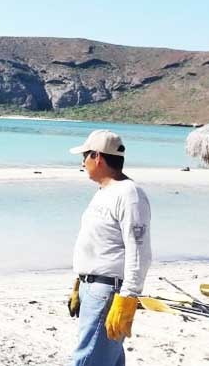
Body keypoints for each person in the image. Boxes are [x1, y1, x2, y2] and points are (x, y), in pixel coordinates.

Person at [67, 130, 152, 366]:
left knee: (86, 360)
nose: (82, 163)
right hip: (91, 288)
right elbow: (98, 242)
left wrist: (128, 297)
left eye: (84, 156)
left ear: (98, 157)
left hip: (108, 292)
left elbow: (139, 250)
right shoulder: (104, 191)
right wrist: (79, 282)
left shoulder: (129, 194)